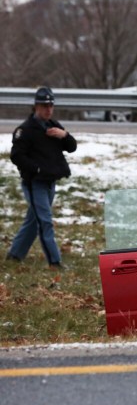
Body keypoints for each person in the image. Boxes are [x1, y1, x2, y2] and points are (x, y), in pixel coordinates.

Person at [6, 87, 77, 269]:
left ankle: (15, 255)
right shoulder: (26, 129)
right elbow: (17, 155)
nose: (48, 109)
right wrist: (35, 169)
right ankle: (54, 261)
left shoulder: (53, 126)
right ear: (36, 106)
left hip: (50, 182)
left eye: (51, 105)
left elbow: (71, 147)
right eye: (44, 105)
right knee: (45, 221)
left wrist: (65, 135)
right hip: (34, 183)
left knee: (33, 219)